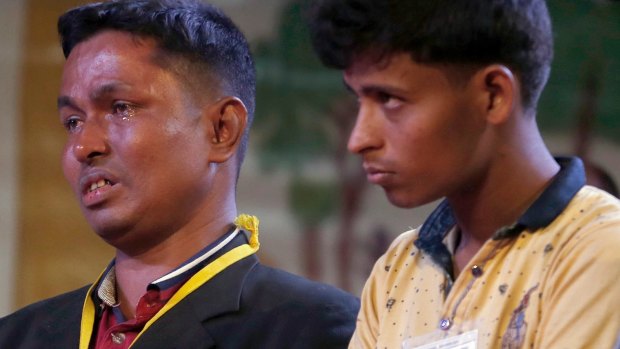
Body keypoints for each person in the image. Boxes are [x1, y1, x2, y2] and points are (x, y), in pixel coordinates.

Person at [0, 0, 359, 348]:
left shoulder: (320, 330)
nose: (83, 146)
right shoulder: (16, 336)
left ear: (221, 129)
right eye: (73, 122)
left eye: (121, 108)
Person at [308, 1, 620, 348]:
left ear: (493, 95)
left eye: (389, 99)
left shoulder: (599, 248)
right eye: (358, 101)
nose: (359, 139)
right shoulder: (398, 266)